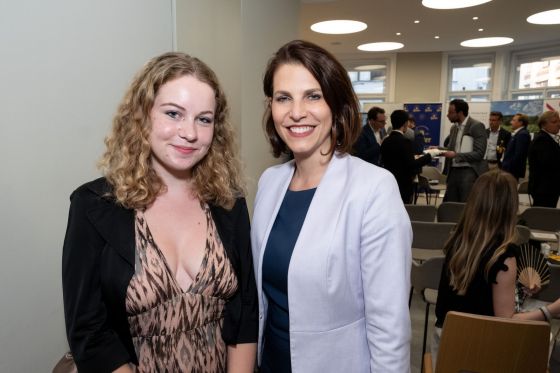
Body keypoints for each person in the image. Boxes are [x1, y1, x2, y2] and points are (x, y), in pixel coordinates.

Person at [62, 52, 258, 372]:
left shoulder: (229, 202)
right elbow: (89, 332)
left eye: (204, 119)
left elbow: (246, 312)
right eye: (173, 113)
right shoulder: (93, 207)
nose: (190, 133)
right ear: (143, 115)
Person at [252, 40, 411, 372]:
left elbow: (389, 326)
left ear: (337, 106)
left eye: (313, 96)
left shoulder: (374, 190)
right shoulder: (270, 183)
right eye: (284, 98)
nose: (296, 112)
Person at [432, 169, 560, 364]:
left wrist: (516, 289)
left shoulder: (457, 243)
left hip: (445, 347)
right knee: (541, 339)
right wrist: (551, 310)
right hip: (483, 351)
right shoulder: (503, 259)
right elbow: (506, 321)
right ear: (511, 208)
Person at [381, 110, 435, 204]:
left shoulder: (385, 141)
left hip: (388, 183)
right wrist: (430, 156)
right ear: (406, 124)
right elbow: (412, 165)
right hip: (403, 185)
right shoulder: (405, 142)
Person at [442, 99, 488, 202]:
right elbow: (452, 149)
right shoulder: (454, 128)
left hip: (469, 170)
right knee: (451, 204)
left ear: (460, 113)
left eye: (451, 112)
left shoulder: (476, 126)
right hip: (453, 170)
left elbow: (479, 153)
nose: (447, 115)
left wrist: (456, 155)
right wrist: (438, 150)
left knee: (465, 204)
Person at [528, 110, 560, 207]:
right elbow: (549, 164)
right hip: (544, 189)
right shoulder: (542, 140)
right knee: (542, 218)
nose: (558, 124)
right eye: (554, 122)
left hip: (547, 188)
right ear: (543, 125)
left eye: (559, 121)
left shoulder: (548, 138)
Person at [502, 113, 530, 180]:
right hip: (510, 170)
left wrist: (508, 169)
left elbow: (518, 155)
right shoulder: (519, 133)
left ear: (520, 123)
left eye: (513, 120)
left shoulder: (522, 134)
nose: (511, 122)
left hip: (512, 171)